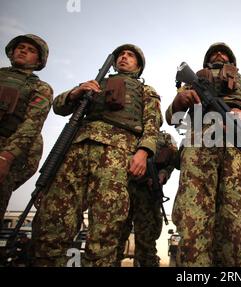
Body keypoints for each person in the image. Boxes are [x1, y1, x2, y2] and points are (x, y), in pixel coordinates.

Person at [31, 44, 162, 267]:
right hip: (75, 150)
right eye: (121, 55)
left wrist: (143, 152)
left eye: (130, 56)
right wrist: (76, 92)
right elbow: (59, 106)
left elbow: (152, 124)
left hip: (116, 154)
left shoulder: (145, 90)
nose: (124, 57)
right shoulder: (95, 83)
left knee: (106, 226)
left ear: (138, 66)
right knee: (51, 222)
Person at [165, 42, 241, 266]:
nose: (219, 55)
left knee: (238, 220)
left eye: (225, 53)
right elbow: (172, 118)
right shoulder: (192, 82)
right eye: (214, 53)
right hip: (199, 143)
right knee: (193, 220)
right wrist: (180, 101)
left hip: (237, 145)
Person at [0, 34, 53, 224]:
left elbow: (32, 125)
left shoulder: (40, 87)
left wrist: (6, 157)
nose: (23, 51)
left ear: (38, 60)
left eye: (31, 50)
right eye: (21, 47)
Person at [116, 131, 177, 267]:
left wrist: (162, 175)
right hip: (122, 187)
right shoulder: (130, 128)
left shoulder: (165, 138)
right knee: (115, 238)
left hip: (148, 193)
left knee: (146, 244)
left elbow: (172, 161)